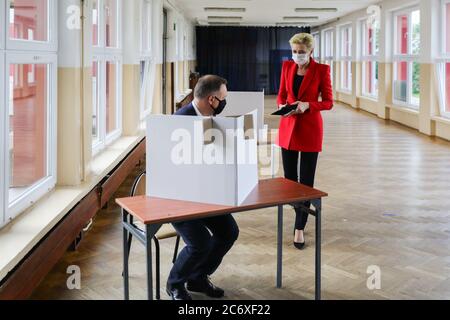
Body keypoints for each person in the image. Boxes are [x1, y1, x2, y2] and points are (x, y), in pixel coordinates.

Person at [166, 75, 239, 300]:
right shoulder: (178, 121)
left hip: (205, 193)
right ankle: (175, 284)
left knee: (229, 232)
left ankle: (197, 277)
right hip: (177, 198)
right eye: (223, 99)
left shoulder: (212, 119)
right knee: (201, 243)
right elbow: (168, 170)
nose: (225, 103)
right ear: (211, 99)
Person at [276, 33, 333, 250]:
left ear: (311, 51)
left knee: (306, 181)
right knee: (290, 180)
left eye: (301, 52)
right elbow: (282, 94)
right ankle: (300, 209)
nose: (297, 56)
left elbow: (328, 102)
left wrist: (309, 105)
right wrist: (284, 106)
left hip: (310, 128)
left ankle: (299, 227)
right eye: (294, 52)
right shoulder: (287, 67)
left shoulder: (321, 70)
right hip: (288, 127)